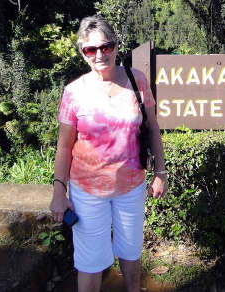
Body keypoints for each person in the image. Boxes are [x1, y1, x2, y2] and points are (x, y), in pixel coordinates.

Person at [49, 15, 168, 292]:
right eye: (91, 49)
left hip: (131, 186)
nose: (100, 54)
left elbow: (153, 129)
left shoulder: (136, 80)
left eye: (106, 46)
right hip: (87, 191)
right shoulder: (73, 93)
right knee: (90, 262)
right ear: (83, 52)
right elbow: (64, 147)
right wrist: (58, 192)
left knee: (130, 251)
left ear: (116, 46)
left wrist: (160, 173)